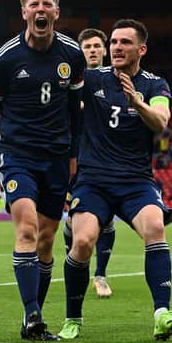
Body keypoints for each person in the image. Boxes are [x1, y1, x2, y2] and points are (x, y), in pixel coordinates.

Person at [58, 19, 172, 341]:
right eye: (113, 42)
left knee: (155, 227)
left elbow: (161, 122)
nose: (116, 47)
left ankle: (161, 314)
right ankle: (73, 318)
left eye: (124, 43)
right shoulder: (91, 78)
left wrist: (137, 103)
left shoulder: (155, 85)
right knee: (83, 241)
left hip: (135, 181)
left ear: (141, 49)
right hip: (93, 180)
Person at [0, 0, 84, 341]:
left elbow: (76, 110)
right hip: (18, 155)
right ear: (24, 12)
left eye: (47, 4)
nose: (40, 10)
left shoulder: (73, 54)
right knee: (26, 229)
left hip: (57, 157)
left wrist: (74, 156)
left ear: (56, 11)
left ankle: (31, 321)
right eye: (34, 5)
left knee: (47, 240)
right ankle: (33, 316)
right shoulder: (4, 59)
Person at [62, 28, 115, 299]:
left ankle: (101, 275)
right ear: (80, 51)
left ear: (104, 50)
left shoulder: (117, 80)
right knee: (74, 223)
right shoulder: (73, 82)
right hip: (75, 159)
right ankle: (74, 263)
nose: (92, 50)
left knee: (107, 221)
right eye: (87, 47)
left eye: (97, 46)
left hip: (106, 161)